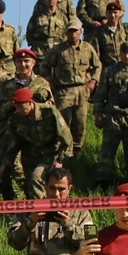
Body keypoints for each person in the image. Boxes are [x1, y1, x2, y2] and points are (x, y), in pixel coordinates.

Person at [0, 49, 53, 199]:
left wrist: (31, 105)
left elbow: (50, 108)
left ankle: (33, 203)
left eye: (26, 61)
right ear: (14, 63)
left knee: (32, 173)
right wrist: (14, 104)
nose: (23, 64)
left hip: (34, 134)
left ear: (33, 63)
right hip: (10, 132)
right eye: (19, 61)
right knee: (0, 166)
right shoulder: (6, 86)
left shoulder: (41, 83)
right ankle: (9, 201)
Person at [0, 86, 72, 199]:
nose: (18, 110)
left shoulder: (49, 112)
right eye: (16, 107)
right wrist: (4, 165)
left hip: (51, 152)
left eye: (20, 106)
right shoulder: (17, 119)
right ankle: (34, 208)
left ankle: (44, 208)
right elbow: (14, 145)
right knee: (29, 187)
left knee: (36, 178)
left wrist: (60, 160)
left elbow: (66, 136)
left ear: (30, 102)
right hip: (31, 154)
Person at [44, 19, 101, 157]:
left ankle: (76, 153)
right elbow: (45, 66)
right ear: (66, 33)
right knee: (63, 123)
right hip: (64, 90)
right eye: (70, 31)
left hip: (82, 90)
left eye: (75, 31)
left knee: (80, 123)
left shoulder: (88, 48)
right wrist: (50, 82)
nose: (73, 34)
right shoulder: (58, 50)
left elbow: (98, 66)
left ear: (80, 32)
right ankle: (62, 153)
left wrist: (93, 81)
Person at [92, 42, 128, 188]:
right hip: (112, 117)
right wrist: (98, 113)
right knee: (107, 153)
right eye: (124, 53)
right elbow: (100, 94)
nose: (127, 56)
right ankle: (101, 183)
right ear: (120, 54)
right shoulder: (110, 71)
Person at [26, 0, 69, 73]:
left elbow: (66, 36)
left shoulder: (63, 17)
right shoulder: (37, 16)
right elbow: (29, 34)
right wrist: (37, 45)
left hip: (57, 53)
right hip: (40, 53)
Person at [86, 2, 128, 68]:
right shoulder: (99, 31)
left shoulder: (126, 29)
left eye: (115, 12)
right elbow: (95, 53)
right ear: (106, 14)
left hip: (126, 68)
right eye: (110, 13)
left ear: (120, 13)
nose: (113, 15)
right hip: (108, 69)